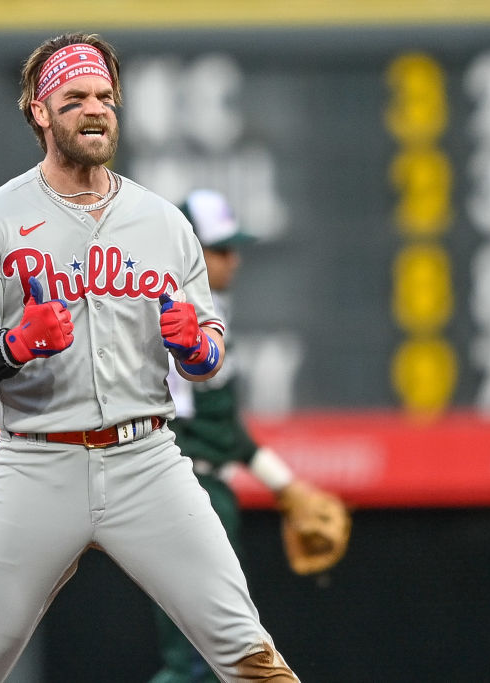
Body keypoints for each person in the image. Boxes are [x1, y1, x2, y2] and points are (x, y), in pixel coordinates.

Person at [0, 33, 298, 682]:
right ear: (39, 112)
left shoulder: (163, 222)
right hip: (36, 460)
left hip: (145, 458)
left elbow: (206, 356)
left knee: (247, 650)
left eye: (105, 97)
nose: (95, 109)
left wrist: (196, 347)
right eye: (75, 98)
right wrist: (13, 344)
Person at [149, 189, 349, 682]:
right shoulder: (173, 313)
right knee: (199, 659)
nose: (233, 260)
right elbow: (191, 425)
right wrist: (282, 484)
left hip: (206, 491)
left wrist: (282, 483)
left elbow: (224, 426)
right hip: (186, 492)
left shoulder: (207, 312)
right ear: (189, 249)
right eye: (219, 249)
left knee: (209, 657)